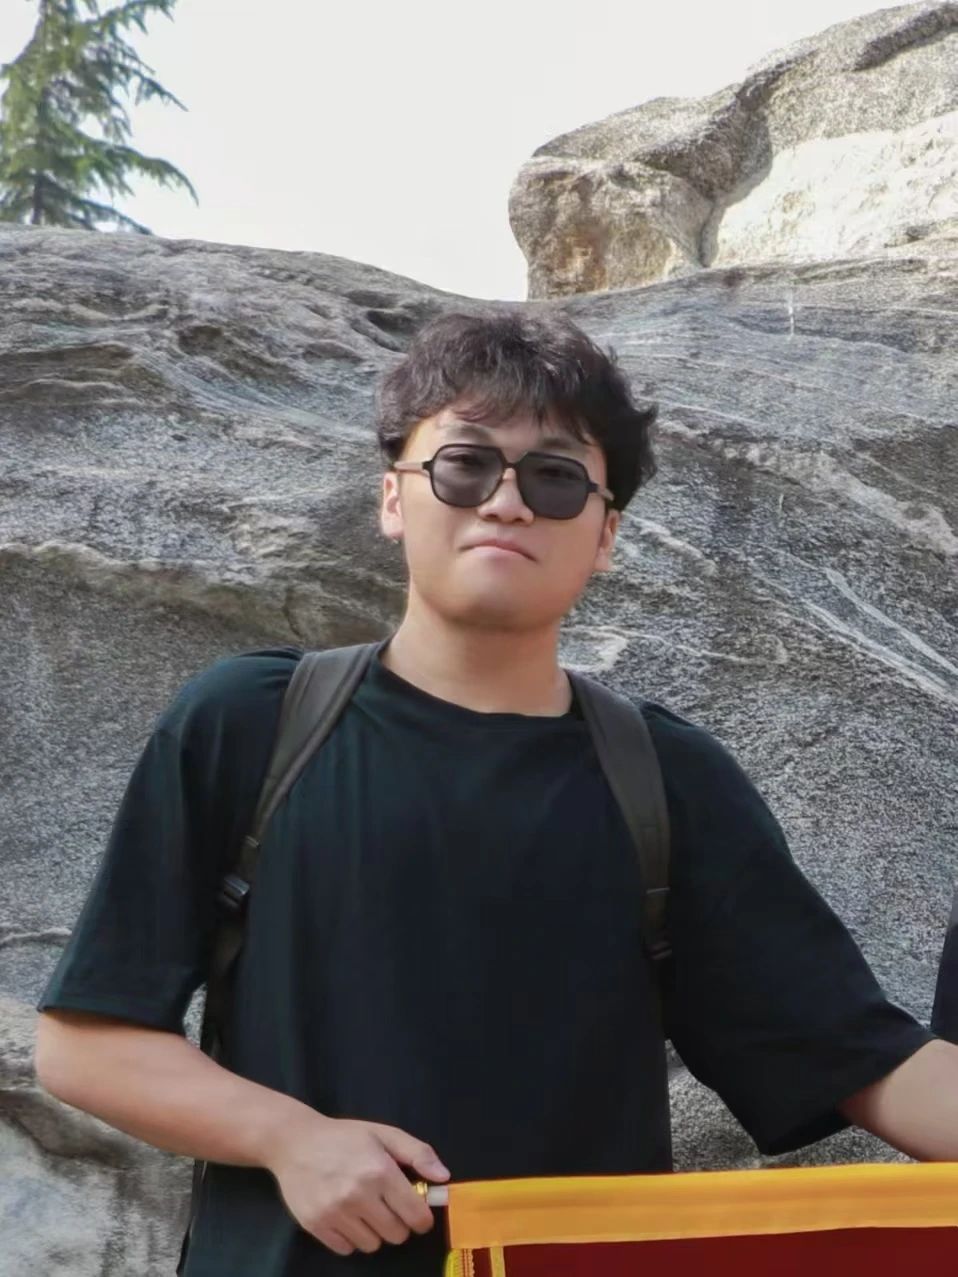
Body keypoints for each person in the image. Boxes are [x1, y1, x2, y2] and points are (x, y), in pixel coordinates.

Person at [34, 310, 955, 1277]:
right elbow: (88, 1041)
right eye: (466, 464)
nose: (507, 502)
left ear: (606, 534)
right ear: (393, 497)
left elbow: (867, 1060)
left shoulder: (668, 779)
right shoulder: (253, 722)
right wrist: (288, 1136)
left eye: (555, 478)